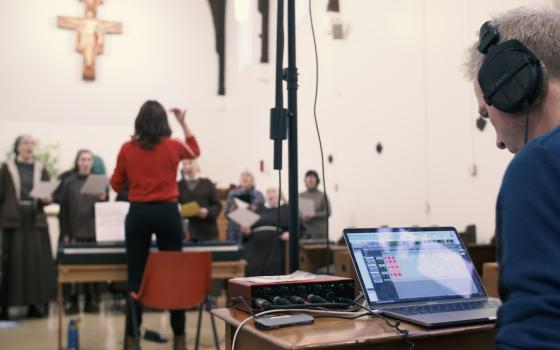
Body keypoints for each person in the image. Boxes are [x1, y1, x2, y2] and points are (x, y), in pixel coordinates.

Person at [464, 8, 560, 349]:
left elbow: (536, 337)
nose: (499, 141)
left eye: (487, 113)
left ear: (514, 81)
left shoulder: (541, 165)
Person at [110, 100, 200, 350]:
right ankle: (179, 339)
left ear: (139, 121)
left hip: (138, 214)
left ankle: (132, 340)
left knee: (135, 279)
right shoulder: (172, 146)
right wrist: (183, 121)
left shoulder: (127, 148)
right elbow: (194, 150)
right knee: (174, 276)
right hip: (168, 214)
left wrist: (137, 180)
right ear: (164, 122)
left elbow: (116, 185)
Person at [0, 135, 56, 319]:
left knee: (35, 264)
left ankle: (34, 305)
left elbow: (49, 194)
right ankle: (6, 306)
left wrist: (48, 198)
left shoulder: (40, 169)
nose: (29, 146)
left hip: (35, 220)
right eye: (25, 143)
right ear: (17, 147)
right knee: (12, 264)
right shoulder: (7, 168)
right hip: (13, 221)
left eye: (32, 143)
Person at [59, 149, 108, 314]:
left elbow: (105, 206)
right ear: (77, 162)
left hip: (93, 231)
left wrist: (104, 198)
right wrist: (65, 232)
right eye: (83, 159)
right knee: (73, 270)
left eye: (89, 160)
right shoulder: (69, 182)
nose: (86, 162)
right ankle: (71, 302)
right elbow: (63, 210)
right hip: (74, 231)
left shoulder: (99, 181)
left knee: (92, 268)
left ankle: (90, 300)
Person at [240, 187, 290, 276]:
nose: (270, 195)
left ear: (280, 194)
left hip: (275, 244)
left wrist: (289, 233)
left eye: (273, 191)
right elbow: (248, 231)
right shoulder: (258, 209)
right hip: (254, 244)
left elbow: (299, 227)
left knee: (272, 267)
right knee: (251, 266)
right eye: (268, 192)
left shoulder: (287, 209)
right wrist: (246, 231)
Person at [177, 159, 222, 241]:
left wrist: (207, 211)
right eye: (184, 164)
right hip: (187, 233)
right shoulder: (178, 186)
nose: (187, 166)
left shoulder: (207, 183)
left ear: (197, 166)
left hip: (208, 232)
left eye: (190, 163)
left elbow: (217, 206)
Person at [224, 171, 264, 244]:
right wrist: (231, 210)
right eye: (243, 175)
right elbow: (226, 213)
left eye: (248, 175)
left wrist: (250, 208)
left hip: (251, 230)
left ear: (252, 180)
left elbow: (260, 212)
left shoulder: (258, 194)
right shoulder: (232, 193)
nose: (245, 177)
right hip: (234, 230)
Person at [299, 170, 330, 240]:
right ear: (305, 181)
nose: (310, 179)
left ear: (317, 181)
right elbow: (296, 212)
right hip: (305, 232)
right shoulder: (300, 195)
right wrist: (302, 216)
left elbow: (328, 212)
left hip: (320, 233)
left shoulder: (322, 195)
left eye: (313, 177)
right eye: (308, 177)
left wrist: (313, 215)